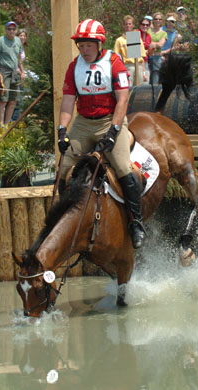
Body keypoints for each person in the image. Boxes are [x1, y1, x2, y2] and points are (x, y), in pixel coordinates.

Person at [57, 18, 146, 249]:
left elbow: (123, 99)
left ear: (99, 44)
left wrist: (115, 130)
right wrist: (62, 130)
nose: (84, 50)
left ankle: (136, 222)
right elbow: (67, 102)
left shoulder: (114, 63)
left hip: (110, 119)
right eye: (81, 45)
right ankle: (63, 217)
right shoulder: (73, 67)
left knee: (123, 167)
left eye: (88, 45)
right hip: (84, 123)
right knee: (64, 167)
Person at [0, 21, 25, 124]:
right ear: (6, 30)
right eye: (9, 29)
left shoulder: (18, 41)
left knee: (13, 100)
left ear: (16, 30)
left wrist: (22, 71)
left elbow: (19, 58)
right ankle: (1, 124)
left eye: (13, 29)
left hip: (15, 72)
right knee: (3, 100)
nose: (11, 31)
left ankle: (7, 124)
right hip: (3, 72)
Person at [114, 15, 147, 86]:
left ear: (133, 25)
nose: (128, 26)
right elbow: (117, 58)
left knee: (139, 89)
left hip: (138, 66)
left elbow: (142, 56)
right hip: (127, 66)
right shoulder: (119, 40)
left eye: (130, 24)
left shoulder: (137, 38)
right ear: (123, 25)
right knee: (127, 88)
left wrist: (143, 72)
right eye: (126, 24)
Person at [12, 28, 28, 121]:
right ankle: (14, 121)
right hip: (15, 75)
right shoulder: (15, 47)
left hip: (20, 75)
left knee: (20, 98)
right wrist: (19, 71)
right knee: (18, 99)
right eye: (20, 35)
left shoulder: (22, 48)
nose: (22, 37)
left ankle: (17, 120)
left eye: (24, 36)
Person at [148, 12, 167, 86]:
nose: (158, 20)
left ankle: (154, 95)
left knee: (155, 78)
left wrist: (151, 43)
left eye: (160, 19)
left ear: (162, 21)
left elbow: (160, 45)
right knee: (146, 76)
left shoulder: (163, 33)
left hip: (157, 57)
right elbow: (144, 43)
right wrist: (155, 44)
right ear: (153, 20)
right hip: (147, 56)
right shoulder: (148, 31)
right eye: (156, 19)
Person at [138, 17, 152, 82]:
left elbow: (150, 52)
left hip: (145, 62)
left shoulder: (149, 36)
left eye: (147, 25)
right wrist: (144, 51)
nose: (145, 26)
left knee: (146, 83)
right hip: (136, 63)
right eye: (143, 24)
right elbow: (132, 52)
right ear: (140, 25)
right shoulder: (134, 33)